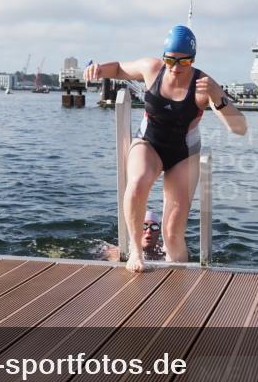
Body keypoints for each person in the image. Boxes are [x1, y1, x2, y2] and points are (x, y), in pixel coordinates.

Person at [85, 25, 247, 272]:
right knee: (138, 182)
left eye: (184, 62)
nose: (175, 67)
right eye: (170, 59)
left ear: (193, 59)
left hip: (184, 153)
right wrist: (98, 68)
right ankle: (136, 253)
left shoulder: (204, 84)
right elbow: (118, 68)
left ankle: (178, 275)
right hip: (149, 143)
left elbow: (239, 128)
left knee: (172, 232)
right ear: (163, 56)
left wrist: (218, 98)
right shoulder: (152, 69)